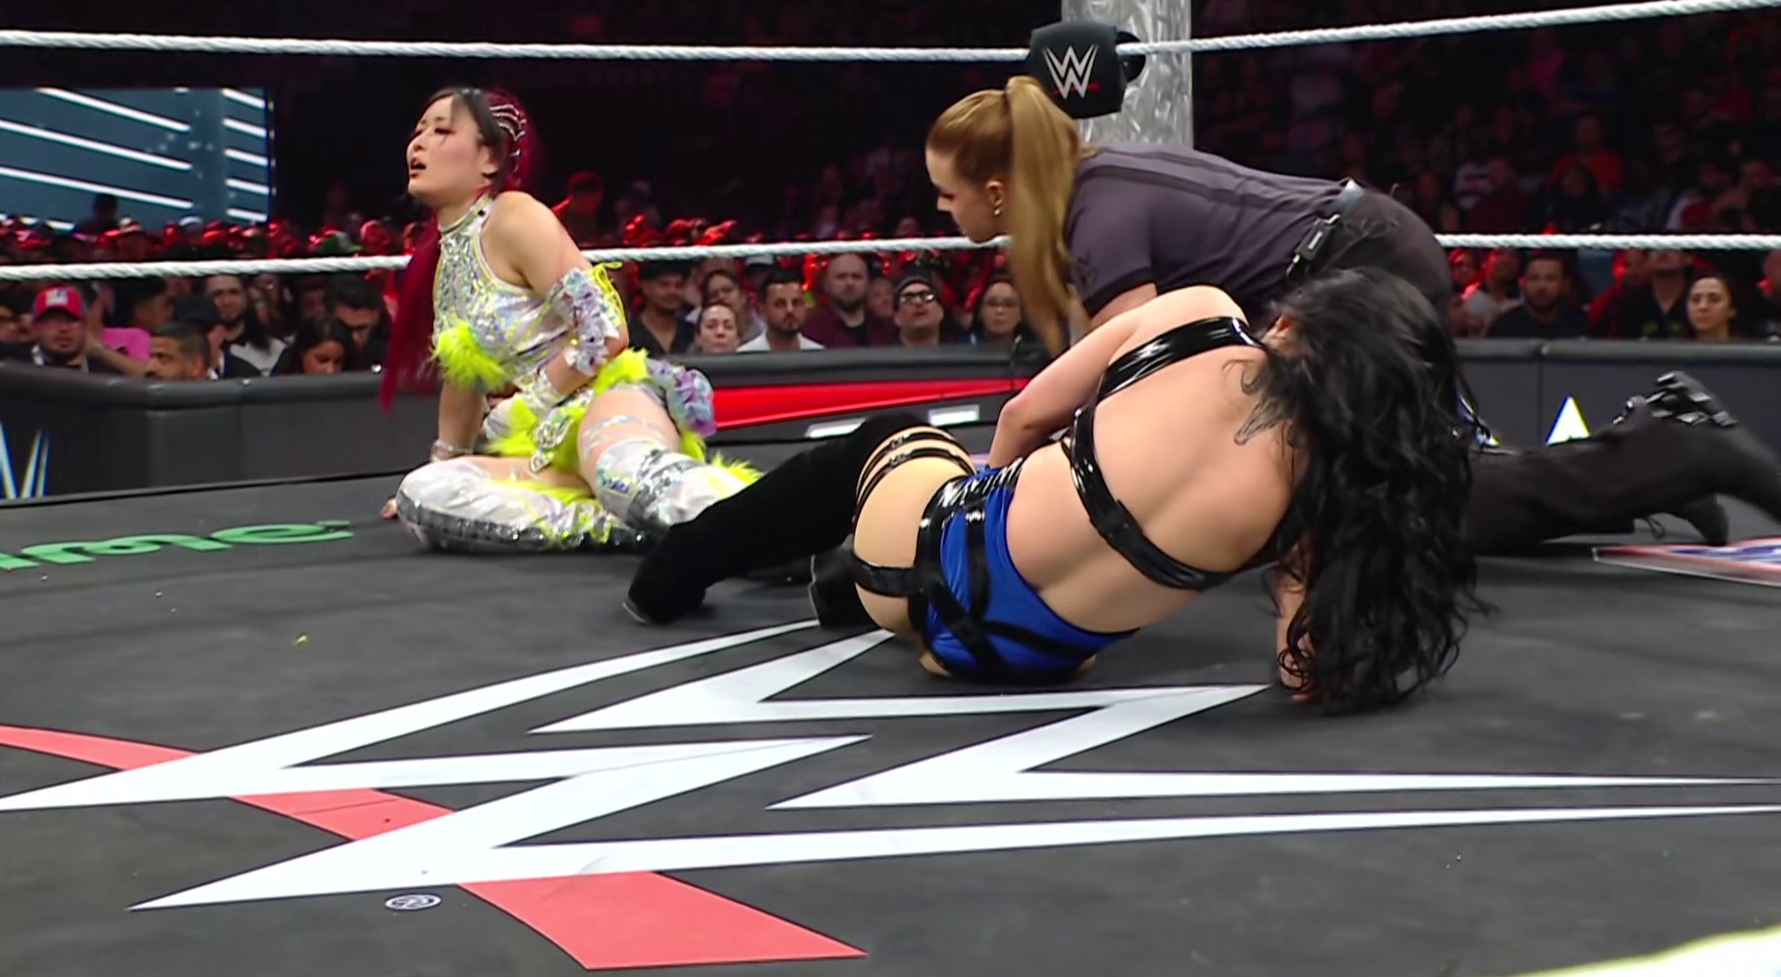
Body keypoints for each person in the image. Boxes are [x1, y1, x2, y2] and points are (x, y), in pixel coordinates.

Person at [919, 77, 1781, 553]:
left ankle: (1675, 451)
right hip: (1361, 258)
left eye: (947, 196)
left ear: (994, 191)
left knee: (1409, 510)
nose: (941, 212)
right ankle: (1655, 462)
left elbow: (1137, 382)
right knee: (1419, 490)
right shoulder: (1103, 183)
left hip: (1354, 277)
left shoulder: (1096, 218)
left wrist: (1002, 502)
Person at [627, 269, 1484, 713]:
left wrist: (994, 501)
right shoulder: (1311, 506)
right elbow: (1303, 670)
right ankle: (841, 584)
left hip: (918, 572)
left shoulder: (1195, 317)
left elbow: (1026, 415)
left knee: (894, 439)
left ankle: (675, 570)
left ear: (1295, 322)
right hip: (1029, 660)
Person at [377, 86, 756, 553]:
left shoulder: (514, 216)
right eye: (418, 132)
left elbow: (605, 330)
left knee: (623, 474)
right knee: (425, 494)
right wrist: (444, 462)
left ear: (490, 159)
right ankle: (622, 522)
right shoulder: (448, 261)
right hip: (541, 450)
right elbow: (464, 376)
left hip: (606, 402)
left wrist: (529, 404)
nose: (418, 143)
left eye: (441, 131)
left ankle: (776, 527)